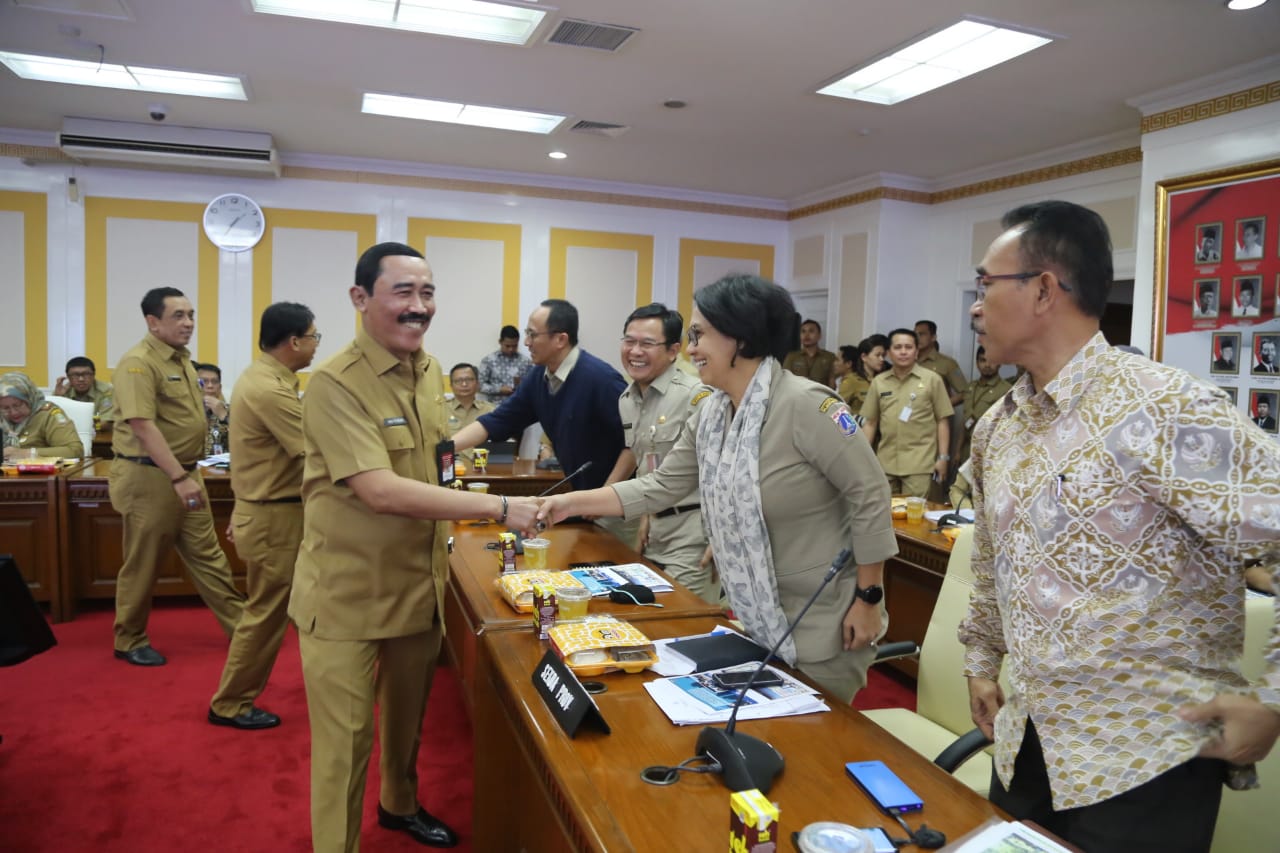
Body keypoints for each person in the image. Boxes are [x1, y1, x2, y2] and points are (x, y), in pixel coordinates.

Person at [960, 199, 1280, 853]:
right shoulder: (998, 425)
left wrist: (1275, 698)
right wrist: (980, 660)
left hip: (1147, 754)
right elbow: (993, 561)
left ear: (1044, 289)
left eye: (985, 284)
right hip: (1030, 738)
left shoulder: (1165, 407)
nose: (974, 304)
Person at [538, 274, 897, 703]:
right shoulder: (713, 413)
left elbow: (870, 494)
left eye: (699, 334)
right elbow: (659, 486)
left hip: (826, 619)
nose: (690, 349)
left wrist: (869, 596)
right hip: (759, 617)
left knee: (818, 753)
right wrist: (564, 502)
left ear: (740, 338)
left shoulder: (806, 405)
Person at [289, 242, 539, 853]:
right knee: (346, 747)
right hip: (347, 593)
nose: (418, 306)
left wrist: (466, 497)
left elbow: (435, 463)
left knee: (407, 723)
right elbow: (379, 490)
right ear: (360, 298)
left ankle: (399, 805)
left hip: (416, 584)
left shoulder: (429, 371)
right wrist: (499, 508)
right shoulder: (332, 383)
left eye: (426, 293)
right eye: (402, 292)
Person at [109, 288, 245, 666]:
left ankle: (241, 627)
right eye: (178, 316)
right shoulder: (138, 363)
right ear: (153, 322)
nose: (188, 323)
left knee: (209, 555)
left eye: (191, 314)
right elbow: (141, 425)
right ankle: (129, 638)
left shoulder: (182, 361)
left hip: (185, 474)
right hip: (151, 477)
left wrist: (186, 475)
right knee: (144, 561)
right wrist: (177, 478)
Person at [207, 302, 319, 732]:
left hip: (270, 510)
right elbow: (313, 451)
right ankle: (231, 702)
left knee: (277, 609)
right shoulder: (269, 389)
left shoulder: (265, 378)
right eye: (313, 337)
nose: (314, 345)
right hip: (275, 518)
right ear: (294, 342)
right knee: (265, 614)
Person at [452, 299, 627, 493]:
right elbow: (496, 421)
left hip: (618, 499)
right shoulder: (538, 377)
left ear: (560, 339)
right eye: (527, 334)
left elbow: (634, 443)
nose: (526, 343)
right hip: (582, 494)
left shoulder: (602, 380)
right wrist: (446, 448)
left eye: (532, 335)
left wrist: (608, 492)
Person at [612, 303, 716, 603]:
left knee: (685, 625)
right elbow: (648, 463)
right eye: (629, 341)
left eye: (647, 343)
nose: (635, 351)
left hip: (694, 535)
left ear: (673, 350)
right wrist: (646, 517)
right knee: (651, 618)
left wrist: (722, 538)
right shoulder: (628, 399)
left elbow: (726, 473)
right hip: (653, 530)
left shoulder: (696, 397)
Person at [859, 329, 953, 498]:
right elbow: (870, 423)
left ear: (916, 352)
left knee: (914, 518)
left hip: (919, 464)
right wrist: (863, 458)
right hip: (884, 464)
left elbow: (943, 421)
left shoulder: (932, 380)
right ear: (888, 353)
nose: (903, 352)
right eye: (898, 347)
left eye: (908, 347)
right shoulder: (879, 382)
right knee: (885, 515)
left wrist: (943, 458)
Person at [951, 346, 1011, 471]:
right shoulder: (970, 387)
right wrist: (957, 451)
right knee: (962, 489)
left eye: (991, 361)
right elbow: (965, 421)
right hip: (967, 449)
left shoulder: (1006, 390)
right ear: (977, 363)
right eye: (982, 360)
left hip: (989, 451)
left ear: (1000, 363)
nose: (987, 365)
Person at [1, 372, 84, 460]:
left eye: (18, 405)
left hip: (42, 472)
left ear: (29, 398)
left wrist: (27, 453)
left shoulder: (48, 414)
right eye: (5, 408)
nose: (13, 412)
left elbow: (74, 450)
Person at [445, 362, 493, 461]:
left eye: (469, 380)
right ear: (451, 385)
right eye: (458, 381)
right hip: (450, 465)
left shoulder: (490, 410)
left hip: (483, 466)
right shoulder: (440, 409)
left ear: (477, 383)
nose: (464, 384)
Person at [914, 320, 968, 406]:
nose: (917, 338)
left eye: (922, 334)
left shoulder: (947, 363)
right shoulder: (909, 361)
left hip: (936, 418)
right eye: (915, 334)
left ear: (933, 337)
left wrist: (942, 408)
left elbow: (964, 393)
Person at [477, 324, 532, 404]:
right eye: (507, 346)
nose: (511, 349)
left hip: (519, 407)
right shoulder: (488, 361)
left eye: (514, 346)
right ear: (500, 342)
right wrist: (499, 389)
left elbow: (533, 384)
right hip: (494, 408)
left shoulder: (526, 362)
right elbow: (479, 386)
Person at [53, 356, 116, 425]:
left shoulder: (106, 391)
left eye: (86, 374)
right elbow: (52, 420)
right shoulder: (62, 391)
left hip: (99, 433)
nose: (81, 379)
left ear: (93, 375)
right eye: (75, 375)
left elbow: (105, 422)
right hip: (69, 433)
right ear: (68, 377)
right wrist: (58, 398)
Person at [782, 319, 837, 388]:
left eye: (811, 331)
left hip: (821, 397)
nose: (806, 335)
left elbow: (833, 384)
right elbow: (784, 381)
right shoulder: (792, 357)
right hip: (798, 397)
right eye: (803, 331)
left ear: (819, 335)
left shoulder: (830, 357)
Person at [195, 362, 231, 455]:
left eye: (214, 382)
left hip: (220, 467)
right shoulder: (184, 412)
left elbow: (243, 442)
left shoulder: (232, 411)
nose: (210, 386)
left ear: (220, 388)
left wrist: (223, 416)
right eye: (204, 381)